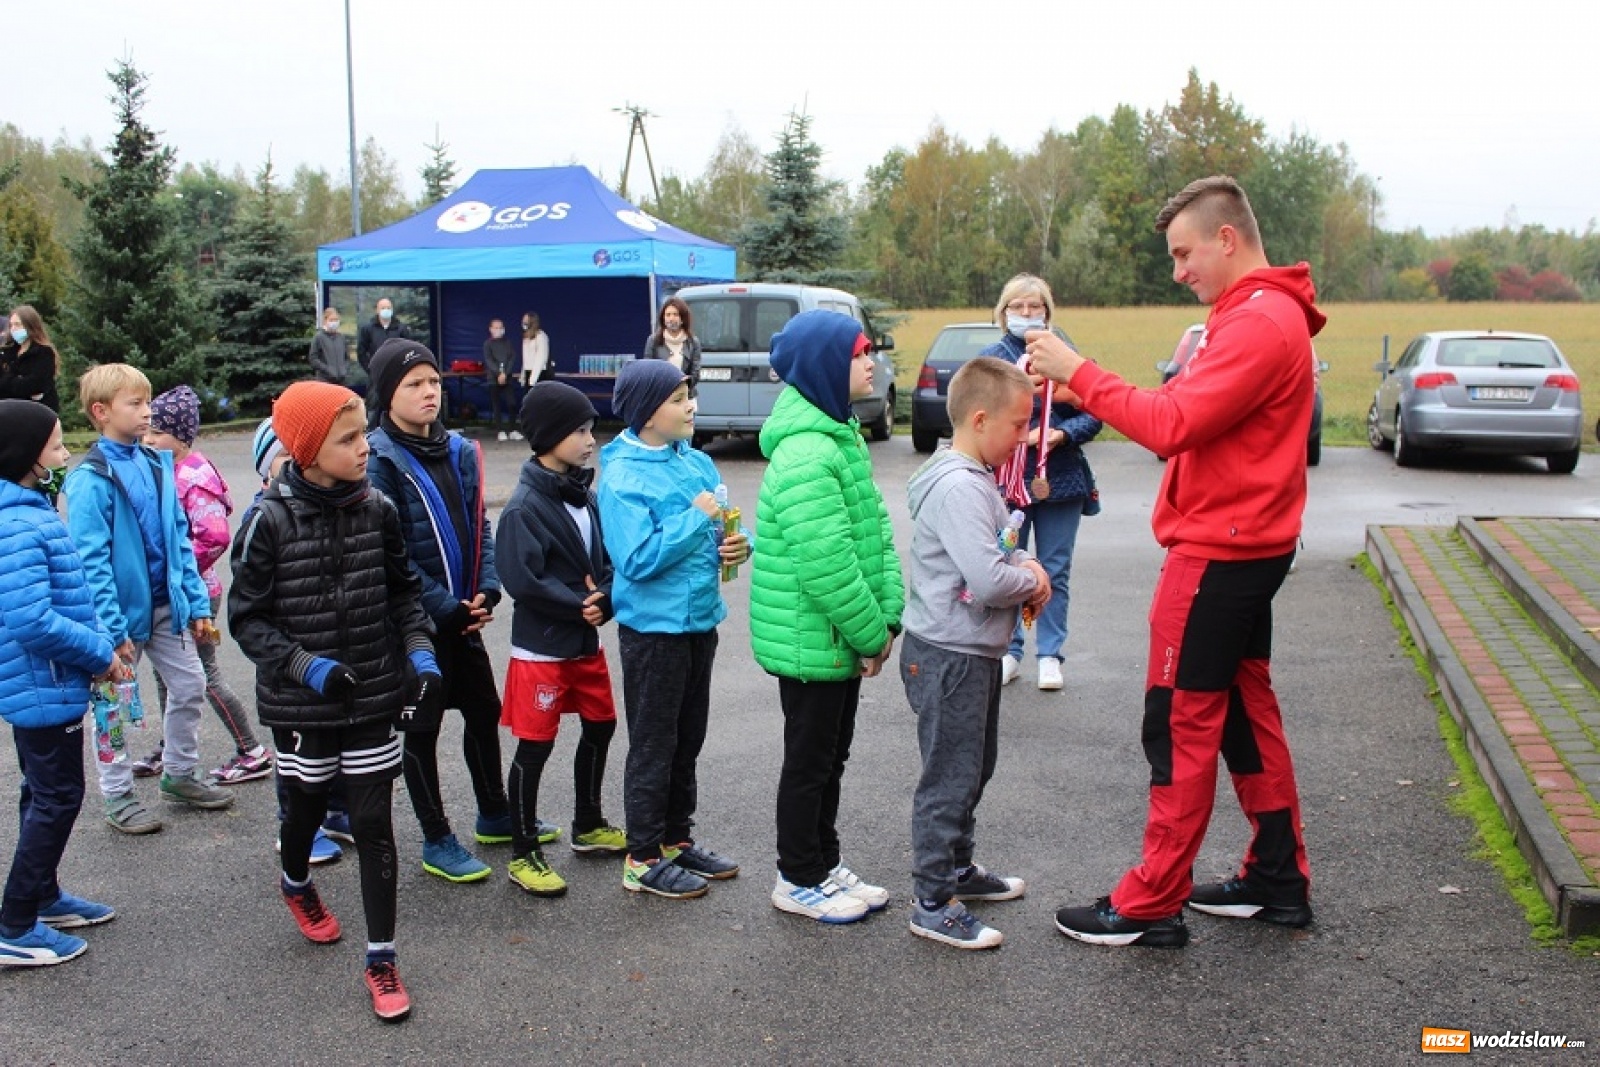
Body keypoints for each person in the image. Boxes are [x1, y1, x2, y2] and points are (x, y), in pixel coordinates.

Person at [1032, 175, 1322, 949]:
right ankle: (1277, 875)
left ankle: (1152, 897)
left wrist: (1076, 370)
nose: (1178, 270)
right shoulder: (1258, 315)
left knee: (1180, 720)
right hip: (1245, 546)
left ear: (1227, 239)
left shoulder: (1259, 323)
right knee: (1241, 711)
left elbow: (1171, 424)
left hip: (1218, 553)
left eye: (1184, 252)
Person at [229, 380, 439, 1022]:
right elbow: (246, 618)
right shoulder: (267, 519)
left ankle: (382, 960)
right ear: (308, 449)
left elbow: (405, 593)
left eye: (360, 435)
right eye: (347, 440)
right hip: (302, 706)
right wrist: (306, 666)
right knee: (306, 807)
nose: (363, 449)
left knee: (375, 825)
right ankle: (296, 882)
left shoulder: (377, 508)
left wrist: (420, 653)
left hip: (374, 695)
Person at [750, 310, 903, 924]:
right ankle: (797, 875)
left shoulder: (840, 436)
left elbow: (878, 537)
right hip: (813, 641)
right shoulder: (808, 453)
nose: (871, 363)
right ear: (824, 367)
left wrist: (887, 619)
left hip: (841, 639)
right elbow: (827, 565)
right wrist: (871, 633)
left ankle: (823, 859)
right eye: (860, 353)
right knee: (809, 761)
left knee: (830, 756)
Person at [901, 358, 1051, 950]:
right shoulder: (963, 487)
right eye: (1018, 426)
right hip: (950, 656)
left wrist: (1021, 566)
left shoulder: (974, 476)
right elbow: (988, 580)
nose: (1024, 438)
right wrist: (1033, 578)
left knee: (973, 767)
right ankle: (932, 899)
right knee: (950, 776)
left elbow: (993, 557)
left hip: (970, 652)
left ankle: (958, 869)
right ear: (981, 419)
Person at [597, 361, 749, 900]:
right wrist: (694, 518)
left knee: (687, 739)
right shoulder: (621, 477)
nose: (692, 406)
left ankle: (674, 841)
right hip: (654, 632)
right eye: (680, 398)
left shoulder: (698, 461)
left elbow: (724, 523)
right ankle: (641, 857)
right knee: (654, 743)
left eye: (690, 395)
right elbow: (635, 561)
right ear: (647, 411)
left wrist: (737, 543)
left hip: (699, 620)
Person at [366, 339, 515, 885]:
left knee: (483, 709)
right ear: (388, 395)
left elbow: (482, 524)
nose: (429, 392)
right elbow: (391, 552)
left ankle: (494, 813)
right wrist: (446, 609)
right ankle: (436, 837)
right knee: (422, 728)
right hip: (415, 626)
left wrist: (488, 588)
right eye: (414, 384)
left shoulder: (456, 449)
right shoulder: (379, 459)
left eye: (433, 382)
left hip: (463, 616)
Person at [62, 364, 236, 835]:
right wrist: (112, 631)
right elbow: (91, 562)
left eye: (147, 402)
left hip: (168, 608)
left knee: (190, 686)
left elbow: (179, 538)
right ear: (101, 412)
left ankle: (179, 774)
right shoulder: (90, 480)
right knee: (111, 708)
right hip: (118, 620)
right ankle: (118, 793)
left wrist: (196, 603)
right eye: (135, 404)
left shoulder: (155, 463)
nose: (147, 412)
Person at [0, 400, 126, 967]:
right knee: (58, 797)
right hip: (41, 684)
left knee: (42, 793)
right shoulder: (18, 522)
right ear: (23, 455)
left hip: (46, 682)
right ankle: (15, 922)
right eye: (54, 443)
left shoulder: (30, 509)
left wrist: (103, 642)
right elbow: (31, 619)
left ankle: (43, 895)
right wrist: (99, 653)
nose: (64, 451)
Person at [496, 381, 627, 897]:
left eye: (591, 428)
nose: (590, 439)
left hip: (583, 646)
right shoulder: (525, 507)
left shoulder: (585, 493)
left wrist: (609, 595)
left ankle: (588, 824)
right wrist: (578, 605)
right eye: (579, 430)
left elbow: (608, 558)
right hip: (541, 651)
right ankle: (523, 851)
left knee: (601, 726)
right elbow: (521, 579)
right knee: (535, 746)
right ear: (548, 437)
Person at [140, 386, 273, 785]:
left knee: (202, 674)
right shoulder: (170, 469)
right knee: (167, 674)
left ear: (181, 435)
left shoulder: (194, 475)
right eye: (147, 430)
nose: (148, 439)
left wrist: (177, 572)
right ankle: (172, 746)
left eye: (157, 432)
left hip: (195, 592)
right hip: (174, 590)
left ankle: (251, 750)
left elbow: (213, 535)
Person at [980, 274, 1102, 693]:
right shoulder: (992, 359)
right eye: (1019, 307)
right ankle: (1009, 652)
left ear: (1048, 312)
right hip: (1007, 482)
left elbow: (1094, 411)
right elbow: (975, 415)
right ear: (1003, 313)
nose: (1027, 314)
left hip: (1061, 478)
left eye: (1035, 307)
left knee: (1055, 569)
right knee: (1008, 565)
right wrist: (1018, 437)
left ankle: (1050, 654)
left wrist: (1061, 434)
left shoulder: (1066, 356)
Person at [251, 420, 346, 867]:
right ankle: (297, 827)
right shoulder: (264, 520)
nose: (297, 469)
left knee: (340, 739)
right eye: (286, 461)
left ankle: (337, 811)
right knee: (297, 753)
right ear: (265, 469)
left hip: (336, 652)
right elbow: (252, 610)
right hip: (290, 665)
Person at [1, 306, 61, 412]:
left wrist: (10, 380)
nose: (13, 329)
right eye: (11, 325)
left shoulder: (43, 352)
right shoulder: (7, 352)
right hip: (9, 410)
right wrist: (17, 380)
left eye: (18, 325)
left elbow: (35, 385)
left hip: (38, 411)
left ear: (29, 326)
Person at [641, 297, 702, 394]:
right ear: (663, 318)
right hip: (660, 395)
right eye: (668, 315)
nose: (671, 318)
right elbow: (647, 370)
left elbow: (696, 372)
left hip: (685, 395)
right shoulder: (653, 340)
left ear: (683, 318)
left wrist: (684, 385)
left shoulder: (693, 342)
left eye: (675, 315)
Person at [482, 319, 522, 441]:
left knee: (512, 403)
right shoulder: (487, 344)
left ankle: (512, 429)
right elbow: (489, 360)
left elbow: (512, 358)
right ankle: (500, 430)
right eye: (496, 327)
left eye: (500, 327)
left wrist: (505, 373)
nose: (498, 330)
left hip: (507, 378)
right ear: (490, 329)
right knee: (496, 405)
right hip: (493, 379)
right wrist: (499, 373)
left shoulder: (507, 343)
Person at [356, 297, 408, 375]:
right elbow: (361, 352)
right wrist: (369, 369)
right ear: (377, 310)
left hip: (397, 372)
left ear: (392, 310)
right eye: (383, 308)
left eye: (388, 308)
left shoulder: (401, 328)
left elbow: (407, 349)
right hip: (376, 373)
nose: (386, 310)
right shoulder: (368, 329)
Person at [308, 308, 349, 386]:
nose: (334, 322)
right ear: (325, 321)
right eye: (331, 320)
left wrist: (344, 369)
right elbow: (313, 359)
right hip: (325, 381)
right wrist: (327, 369)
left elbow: (346, 357)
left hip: (341, 381)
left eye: (336, 320)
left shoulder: (341, 337)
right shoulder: (319, 337)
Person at [519, 312, 550, 386]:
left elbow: (541, 358)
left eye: (526, 320)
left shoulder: (541, 336)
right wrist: (523, 376)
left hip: (539, 374)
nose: (524, 322)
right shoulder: (526, 337)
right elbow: (526, 359)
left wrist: (533, 379)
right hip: (528, 373)